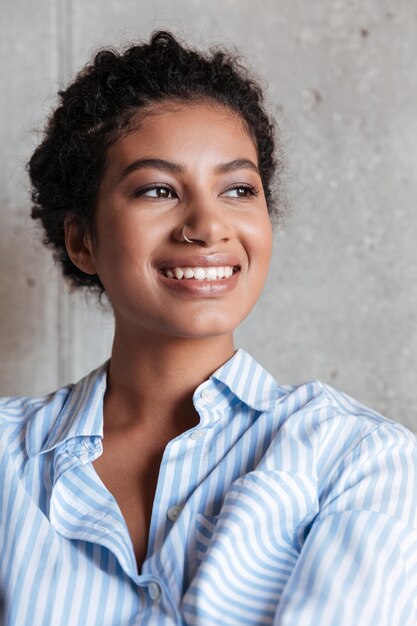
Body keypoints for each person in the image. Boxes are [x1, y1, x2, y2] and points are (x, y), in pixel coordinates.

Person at [0, 30, 416, 626]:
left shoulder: (359, 461)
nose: (208, 224)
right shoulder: (8, 462)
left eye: (238, 189)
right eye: (159, 190)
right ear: (82, 241)